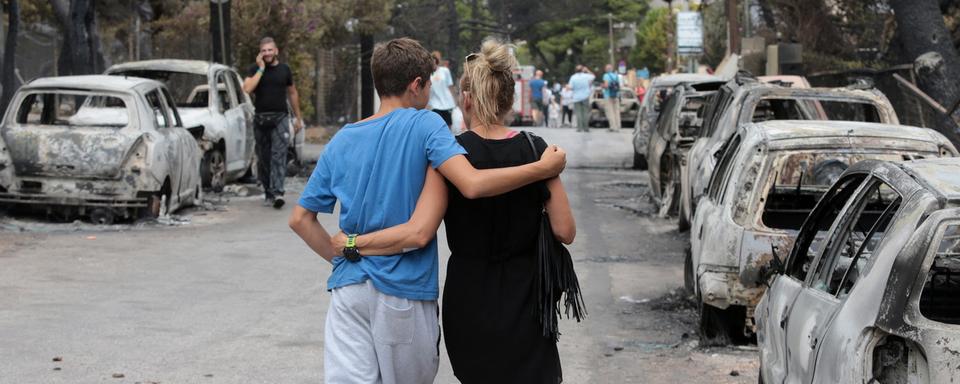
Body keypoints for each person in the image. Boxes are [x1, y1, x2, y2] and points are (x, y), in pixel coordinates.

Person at [288, 37, 567, 384]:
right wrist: (543, 169)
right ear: (416, 84)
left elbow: (300, 219)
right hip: (401, 290)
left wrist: (347, 253)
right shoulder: (426, 125)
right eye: (429, 84)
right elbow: (468, 188)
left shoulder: (343, 138)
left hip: (349, 291)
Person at [242, 36, 303, 209]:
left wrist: (298, 118)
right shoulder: (255, 69)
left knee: (279, 155)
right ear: (260, 53)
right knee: (264, 158)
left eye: (270, 50)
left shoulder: (284, 70)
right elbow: (247, 88)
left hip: (280, 118)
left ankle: (278, 192)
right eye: (264, 51)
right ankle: (269, 191)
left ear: (276, 51)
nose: (267, 53)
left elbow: (292, 93)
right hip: (261, 119)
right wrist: (261, 69)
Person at [428, 51, 457, 129]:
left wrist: (455, 100)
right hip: (435, 104)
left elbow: (450, 86)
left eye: (435, 62)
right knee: (438, 124)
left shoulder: (445, 71)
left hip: (447, 103)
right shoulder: (428, 74)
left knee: (448, 125)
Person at [568, 65, 595, 132]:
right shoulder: (586, 76)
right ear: (582, 70)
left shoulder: (573, 77)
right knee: (585, 112)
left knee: (578, 113)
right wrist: (587, 70)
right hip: (585, 96)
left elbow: (570, 87)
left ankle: (579, 128)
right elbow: (593, 76)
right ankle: (586, 128)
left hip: (576, 97)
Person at [602, 64, 622, 131]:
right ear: (612, 69)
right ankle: (618, 126)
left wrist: (602, 86)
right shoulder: (616, 76)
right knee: (616, 111)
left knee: (610, 112)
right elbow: (619, 86)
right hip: (616, 95)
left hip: (608, 96)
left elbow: (606, 86)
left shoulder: (606, 75)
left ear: (606, 69)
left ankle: (612, 127)